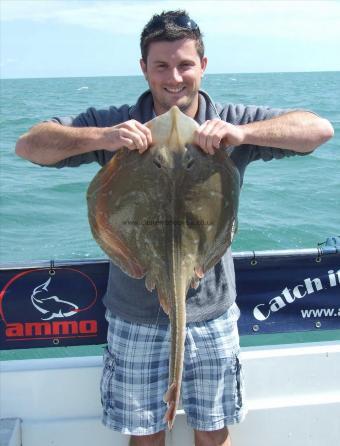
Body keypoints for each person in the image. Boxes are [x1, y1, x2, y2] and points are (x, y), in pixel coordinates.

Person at [15, 10, 334, 446]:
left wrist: (240, 134)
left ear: (203, 65)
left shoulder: (230, 119)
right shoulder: (118, 120)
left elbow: (319, 129)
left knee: (213, 432)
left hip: (212, 313)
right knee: (145, 436)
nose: (174, 77)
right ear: (143, 68)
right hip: (135, 315)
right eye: (161, 66)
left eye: (185, 64)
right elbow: (29, 145)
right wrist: (104, 138)